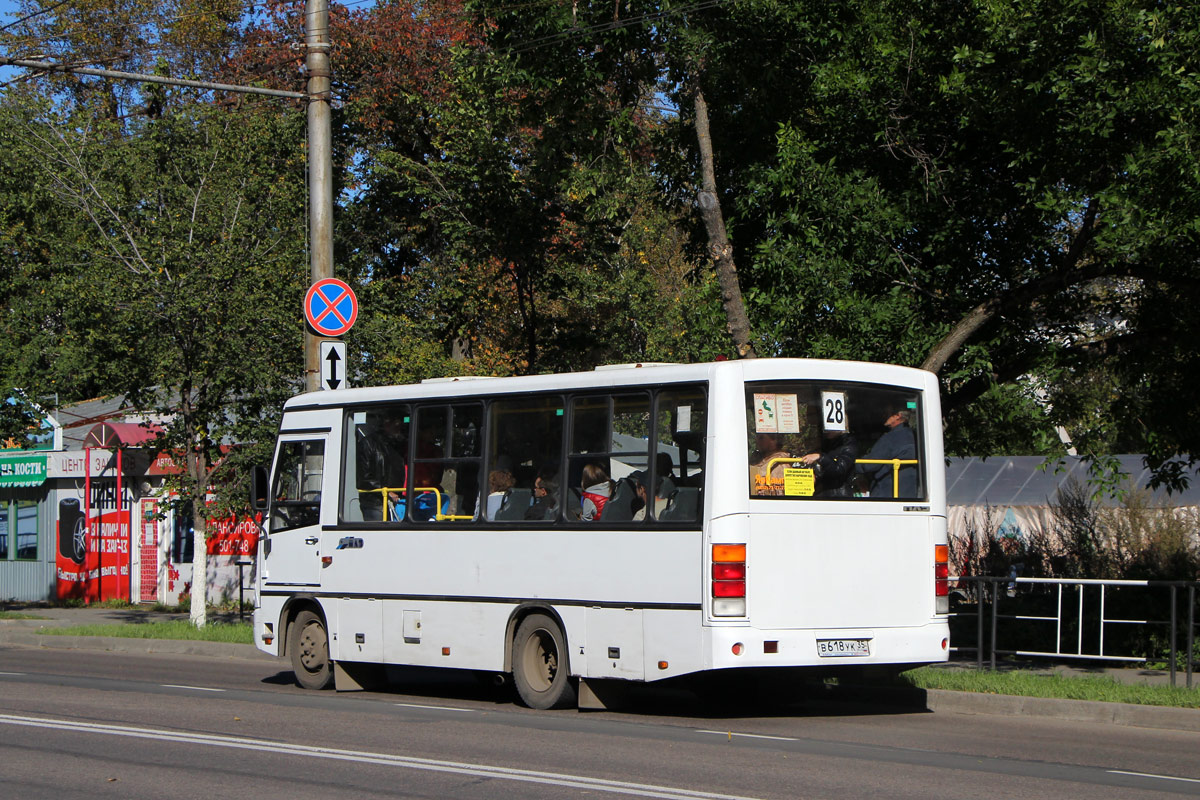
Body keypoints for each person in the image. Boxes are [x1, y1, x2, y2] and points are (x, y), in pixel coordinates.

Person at [859, 404, 917, 498]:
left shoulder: (892, 438)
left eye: (887, 412)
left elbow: (870, 464)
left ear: (898, 416)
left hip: (886, 494)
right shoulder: (915, 436)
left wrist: (856, 464)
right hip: (911, 493)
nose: (883, 415)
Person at [801, 429, 859, 497]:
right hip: (821, 493)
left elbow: (839, 468)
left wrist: (820, 457)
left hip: (838, 496)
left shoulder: (849, 444)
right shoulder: (825, 444)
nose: (826, 431)